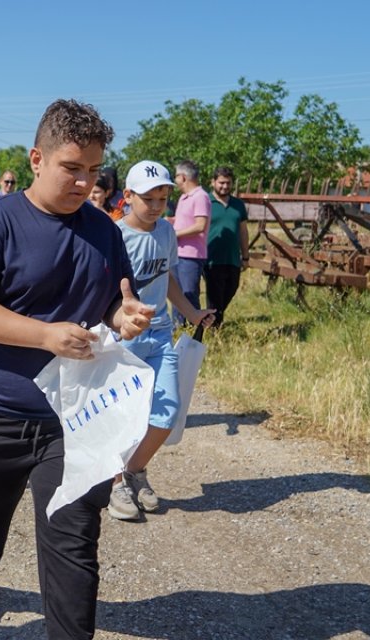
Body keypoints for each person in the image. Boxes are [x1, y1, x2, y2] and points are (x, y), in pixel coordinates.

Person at [0, 99, 154, 637]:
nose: (84, 183)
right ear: (37, 159)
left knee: (74, 538)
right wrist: (44, 335)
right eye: (71, 168)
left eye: (92, 171)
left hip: (73, 415)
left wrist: (123, 317)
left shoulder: (104, 231)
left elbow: (113, 299)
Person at [109, 161, 214, 523]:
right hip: (124, 337)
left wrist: (193, 312)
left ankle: (135, 470)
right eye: (148, 198)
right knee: (122, 415)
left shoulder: (167, 233)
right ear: (127, 197)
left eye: (163, 198)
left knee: (167, 413)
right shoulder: (115, 236)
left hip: (160, 334)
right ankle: (116, 483)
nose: (156, 206)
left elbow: (167, 278)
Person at [204, 166, 249, 327]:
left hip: (232, 258)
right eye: (221, 183)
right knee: (215, 296)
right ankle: (214, 327)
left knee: (231, 289)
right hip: (211, 258)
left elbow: (243, 231)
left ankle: (213, 320)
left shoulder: (238, 205)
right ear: (213, 182)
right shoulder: (206, 202)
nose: (225, 186)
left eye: (228, 183)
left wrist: (245, 256)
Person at [171, 160, 211, 323]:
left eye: (176, 177)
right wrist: (170, 221)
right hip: (178, 253)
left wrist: (176, 234)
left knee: (189, 294)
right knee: (176, 295)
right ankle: (178, 328)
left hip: (191, 255)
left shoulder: (200, 197)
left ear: (183, 177)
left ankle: (195, 330)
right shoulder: (184, 198)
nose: (175, 181)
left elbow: (200, 225)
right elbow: (185, 220)